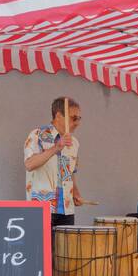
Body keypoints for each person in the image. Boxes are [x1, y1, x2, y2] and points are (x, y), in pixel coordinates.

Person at [24, 97, 84, 226]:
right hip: (42, 207)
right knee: (42, 246)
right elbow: (29, 164)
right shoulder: (37, 135)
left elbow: (71, 172)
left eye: (79, 118)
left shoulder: (74, 143)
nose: (77, 122)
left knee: (66, 247)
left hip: (66, 209)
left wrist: (76, 192)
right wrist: (56, 147)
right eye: (73, 118)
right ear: (58, 116)